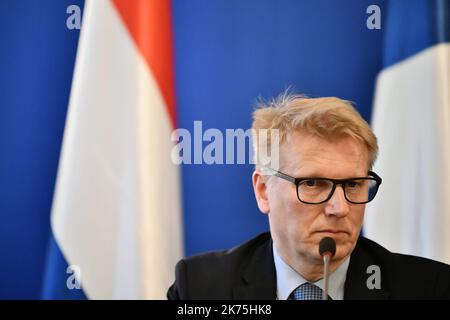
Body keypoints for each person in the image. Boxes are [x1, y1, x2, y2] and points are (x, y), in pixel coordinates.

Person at [167, 93, 450, 300]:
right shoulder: (200, 288)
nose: (339, 208)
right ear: (264, 191)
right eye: (313, 183)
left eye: (353, 184)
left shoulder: (430, 288)